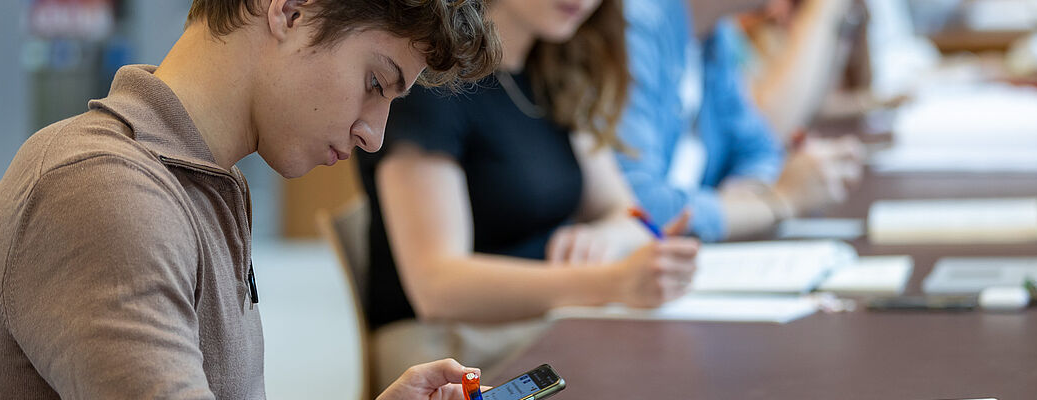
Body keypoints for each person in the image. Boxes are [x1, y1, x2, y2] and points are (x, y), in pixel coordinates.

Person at [0, 0, 499, 398]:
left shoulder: (197, 185)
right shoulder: (103, 190)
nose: (373, 135)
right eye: (376, 83)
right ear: (289, 12)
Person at [354, 0, 701, 388]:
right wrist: (612, 282)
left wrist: (601, 236)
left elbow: (629, 215)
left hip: (545, 329)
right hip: (451, 351)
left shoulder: (553, 70)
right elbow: (436, 286)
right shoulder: (432, 82)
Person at [617, 0, 866, 243]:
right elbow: (636, 209)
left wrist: (747, 204)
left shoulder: (715, 35)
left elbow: (761, 151)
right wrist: (775, 201)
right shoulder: (635, 22)